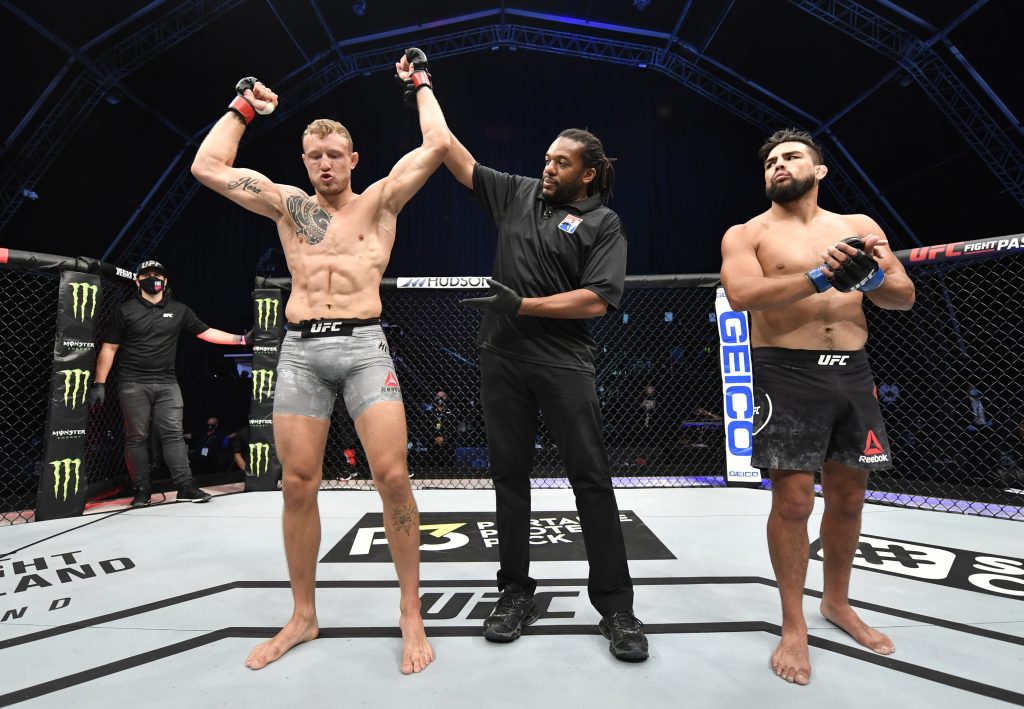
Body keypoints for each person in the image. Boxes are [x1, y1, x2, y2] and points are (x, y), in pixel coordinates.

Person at [190, 50, 450, 674]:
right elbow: (207, 165)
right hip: (301, 351)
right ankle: (303, 615)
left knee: (393, 477)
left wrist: (420, 83)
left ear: (353, 160)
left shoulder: (381, 201)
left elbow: (438, 145)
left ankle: (411, 612)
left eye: (336, 154)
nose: (326, 164)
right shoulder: (286, 205)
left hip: (364, 345)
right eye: (315, 156)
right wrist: (244, 106)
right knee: (297, 483)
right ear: (304, 163)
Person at [443, 128, 648, 661]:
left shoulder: (604, 222)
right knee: (509, 478)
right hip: (502, 359)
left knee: (591, 480)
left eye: (561, 162)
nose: (548, 169)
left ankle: (616, 606)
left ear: (588, 173)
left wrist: (522, 306)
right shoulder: (517, 193)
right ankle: (515, 594)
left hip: (564, 363)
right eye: (547, 159)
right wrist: (420, 84)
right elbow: (448, 148)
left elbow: (598, 300)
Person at [719, 128, 916, 685]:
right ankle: (793, 626)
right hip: (785, 370)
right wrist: (820, 276)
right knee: (794, 499)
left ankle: (837, 603)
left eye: (791, 157)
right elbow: (742, 296)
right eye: (771, 161)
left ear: (819, 170)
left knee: (850, 496)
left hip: (853, 372)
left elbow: (902, 298)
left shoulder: (859, 228)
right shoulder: (747, 233)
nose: (778, 165)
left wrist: (872, 275)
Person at [89, 261, 250, 507]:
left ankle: (185, 486)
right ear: (137, 281)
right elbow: (109, 347)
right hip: (132, 382)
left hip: (166, 381)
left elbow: (206, 332)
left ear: (165, 281)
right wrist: (99, 382)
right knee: (137, 436)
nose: (152, 278)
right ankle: (142, 491)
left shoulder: (178, 310)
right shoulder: (125, 311)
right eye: (146, 275)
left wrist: (241, 340)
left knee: (173, 435)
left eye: (157, 275)